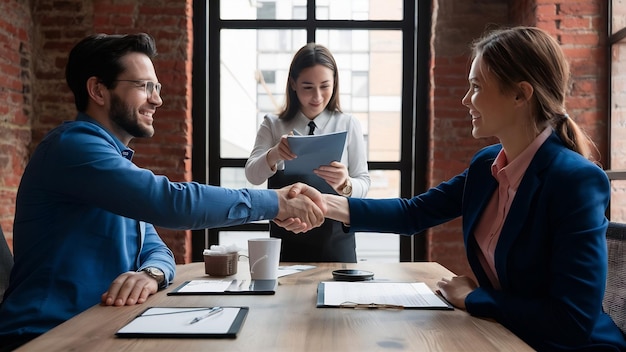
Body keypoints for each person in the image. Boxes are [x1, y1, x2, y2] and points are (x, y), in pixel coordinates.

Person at [282, 26, 626, 351]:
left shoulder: (574, 181)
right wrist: (324, 203)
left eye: (476, 86)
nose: (466, 99)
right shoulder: (487, 165)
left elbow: (572, 322)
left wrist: (476, 297)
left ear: (521, 94)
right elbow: (413, 214)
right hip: (504, 336)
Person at [0, 33, 325, 350]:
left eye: (156, 87)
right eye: (144, 87)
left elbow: (156, 248)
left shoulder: (114, 163)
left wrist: (151, 274)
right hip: (43, 336)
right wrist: (274, 202)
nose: (157, 99)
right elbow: (171, 202)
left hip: (97, 327)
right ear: (98, 90)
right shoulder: (74, 148)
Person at [245, 43, 370, 263]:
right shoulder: (273, 125)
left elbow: (364, 184)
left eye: (325, 86)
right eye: (307, 87)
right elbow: (252, 176)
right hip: (286, 240)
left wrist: (345, 184)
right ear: (293, 83)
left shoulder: (348, 124)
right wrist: (274, 154)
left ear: (335, 83)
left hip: (336, 241)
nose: (318, 97)